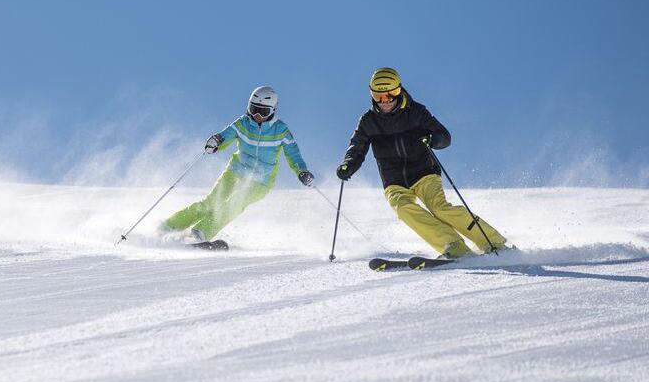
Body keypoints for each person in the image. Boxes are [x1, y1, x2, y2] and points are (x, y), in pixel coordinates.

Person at [336, 68, 509, 259]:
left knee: (439, 208)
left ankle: (493, 242)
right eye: (378, 96)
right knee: (403, 209)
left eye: (390, 95)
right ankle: (453, 245)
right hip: (393, 179)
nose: (384, 101)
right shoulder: (368, 121)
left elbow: (444, 136)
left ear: (399, 91)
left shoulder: (416, 112)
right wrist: (348, 165)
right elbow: (357, 148)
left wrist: (432, 140)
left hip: (423, 172)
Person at [161, 86, 314, 242]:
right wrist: (216, 142)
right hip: (236, 171)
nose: (257, 115)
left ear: (273, 111)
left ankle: (200, 233)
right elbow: (226, 135)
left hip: (261, 182)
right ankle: (169, 226)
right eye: (254, 109)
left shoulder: (281, 130)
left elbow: (293, 154)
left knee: (234, 204)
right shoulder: (243, 123)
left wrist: (301, 171)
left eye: (263, 112)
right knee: (210, 204)